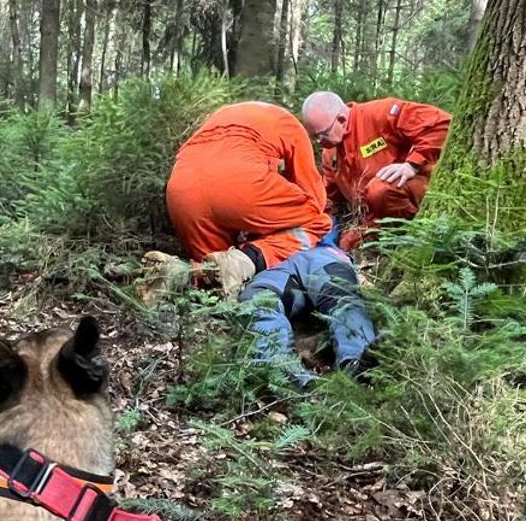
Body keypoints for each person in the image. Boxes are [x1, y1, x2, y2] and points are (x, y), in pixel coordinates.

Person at [165, 101, 334, 293]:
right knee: (316, 221)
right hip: (239, 183)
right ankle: (249, 258)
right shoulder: (289, 124)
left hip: (181, 189)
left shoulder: (220, 116)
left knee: (215, 273)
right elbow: (313, 198)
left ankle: (177, 274)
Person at [299, 91, 452, 249]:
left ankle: (409, 237)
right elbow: (330, 196)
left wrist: (412, 165)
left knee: (379, 190)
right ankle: (382, 241)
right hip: (373, 216)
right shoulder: (330, 153)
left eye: (323, 135)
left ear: (341, 120)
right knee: (344, 246)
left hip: (411, 191)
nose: (319, 142)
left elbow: (441, 124)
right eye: (315, 137)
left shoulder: (380, 114)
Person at [238, 241, 377, 385]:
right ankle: (356, 361)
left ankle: (286, 374)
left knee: (259, 302)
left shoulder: (325, 230)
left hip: (307, 262)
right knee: (341, 298)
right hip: (291, 267)